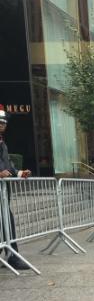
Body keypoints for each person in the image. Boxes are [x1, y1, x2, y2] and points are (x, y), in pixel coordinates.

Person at [0, 105, 31, 271]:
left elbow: (8, 164)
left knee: (7, 220)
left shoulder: (2, 142)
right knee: (6, 220)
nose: (3, 124)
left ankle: (12, 255)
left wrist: (19, 173)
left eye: (4, 122)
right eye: (0, 122)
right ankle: (12, 256)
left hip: (3, 191)